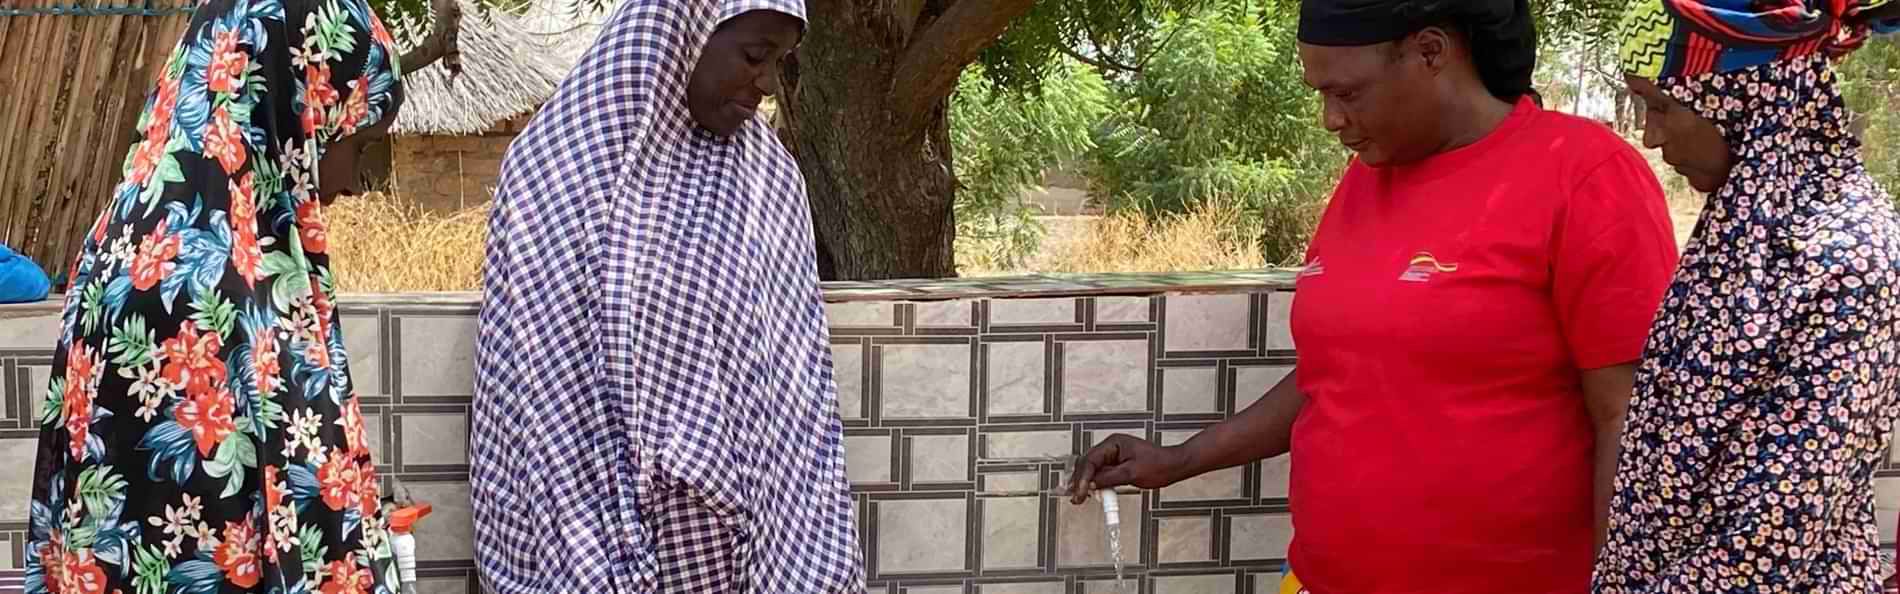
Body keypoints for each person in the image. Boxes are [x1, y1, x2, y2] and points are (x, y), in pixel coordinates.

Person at [1068, 1, 1680, 593]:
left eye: (1347, 93)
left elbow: (1629, 418)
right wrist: (1179, 460)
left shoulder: (1583, 174)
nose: (1330, 119)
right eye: (1321, 94)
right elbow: (1334, 377)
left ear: (1430, 52)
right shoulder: (1365, 180)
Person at [467, 1, 863, 592]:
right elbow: (531, 379)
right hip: (585, 529)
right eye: (755, 55)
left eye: (779, 62)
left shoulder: (769, 181)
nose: (767, 83)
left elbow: (797, 386)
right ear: (684, 34)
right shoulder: (554, 169)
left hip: (749, 547)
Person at [25, 0, 405, 591]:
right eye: (354, 142)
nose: (353, 182)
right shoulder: (226, 279)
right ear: (293, 106)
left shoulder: (129, 239)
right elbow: (278, 528)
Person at [1595, 1, 1900, 592]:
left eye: (1661, 106)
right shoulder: (1744, 227)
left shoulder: (1848, 253)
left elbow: (1771, 534)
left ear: (1746, 97)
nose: (1651, 135)